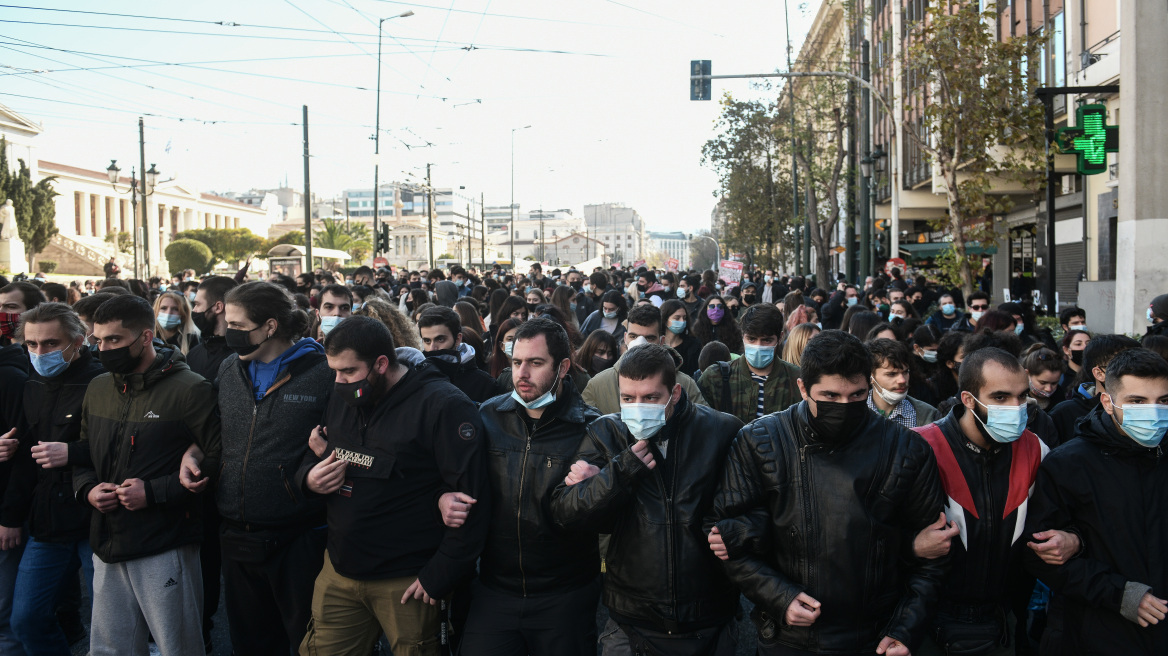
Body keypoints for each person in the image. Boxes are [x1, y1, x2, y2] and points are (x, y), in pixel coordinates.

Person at [706, 329, 948, 656]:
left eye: (857, 396)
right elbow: (728, 538)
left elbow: (934, 551)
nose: (844, 406)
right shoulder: (759, 441)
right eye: (831, 397)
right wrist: (779, 596)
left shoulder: (906, 449)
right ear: (803, 388)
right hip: (789, 637)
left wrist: (906, 627)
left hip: (875, 636)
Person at [299, 316, 489, 655]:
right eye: (335, 372)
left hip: (409, 581)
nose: (339, 381)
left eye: (349, 372)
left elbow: (472, 501)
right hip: (340, 571)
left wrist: (440, 576)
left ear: (381, 364)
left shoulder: (443, 405)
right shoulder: (344, 395)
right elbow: (329, 453)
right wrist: (309, 478)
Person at [553, 343, 745, 654]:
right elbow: (567, 513)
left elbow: (753, 508)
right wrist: (617, 474)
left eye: (651, 398)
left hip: (707, 614)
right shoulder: (606, 432)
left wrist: (739, 531)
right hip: (632, 618)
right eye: (628, 398)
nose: (638, 408)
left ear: (676, 393)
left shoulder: (721, 430)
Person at [179, 281, 333, 656]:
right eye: (226, 323)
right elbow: (217, 427)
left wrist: (318, 468)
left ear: (270, 326)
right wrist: (194, 452)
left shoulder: (324, 372)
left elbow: (348, 442)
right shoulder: (231, 368)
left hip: (299, 536)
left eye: (237, 325)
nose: (228, 333)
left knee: (305, 642)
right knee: (250, 642)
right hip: (236, 533)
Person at [73, 294, 221, 656]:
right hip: (107, 540)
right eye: (99, 340)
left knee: (176, 646)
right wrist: (88, 490)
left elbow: (219, 459)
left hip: (165, 541)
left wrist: (154, 492)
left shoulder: (191, 389)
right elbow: (84, 451)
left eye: (115, 340)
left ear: (144, 336)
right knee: (109, 648)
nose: (104, 348)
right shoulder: (98, 387)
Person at [444, 318, 602, 654]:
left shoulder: (592, 427)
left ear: (563, 367)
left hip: (565, 594)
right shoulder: (485, 417)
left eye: (535, 362)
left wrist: (600, 486)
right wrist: (442, 497)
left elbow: (606, 515)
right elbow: (451, 476)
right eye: (517, 362)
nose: (522, 373)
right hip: (495, 589)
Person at [911, 347, 1072, 656]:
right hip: (927, 623)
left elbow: (1061, 522)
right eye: (1000, 397)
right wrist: (910, 545)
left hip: (1005, 623)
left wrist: (1071, 539)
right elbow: (876, 532)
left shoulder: (1036, 449)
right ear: (969, 400)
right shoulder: (920, 447)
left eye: (1022, 396)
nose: (1015, 407)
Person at [1025, 348, 1168, 654]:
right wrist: (1119, 594)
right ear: (1108, 401)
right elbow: (1040, 553)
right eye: (1138, 401)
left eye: (1164, 401)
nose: (1154, 412)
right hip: (1098, 632)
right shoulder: (1069, 464)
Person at [2, 303, 103, 654]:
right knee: (26, 618)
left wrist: (73, 453)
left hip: (96, 516)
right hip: (48, 518)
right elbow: (27, 458)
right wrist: (11, 517)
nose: (40, 352)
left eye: (50, 343)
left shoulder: (102, 380)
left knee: (107, 624)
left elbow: (125, 447)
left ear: (77, 341)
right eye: (32, 344)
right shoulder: (32, 382)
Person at [582, 305, 708, 415]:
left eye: (649, 338)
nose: (640, 343)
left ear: (661, 341)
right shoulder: (597, 386)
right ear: (625, 338)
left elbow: (703, 424)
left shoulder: (685, 384)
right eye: (634, 336)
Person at [698, 304, 801, 424]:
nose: (758, 346)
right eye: (751, 339)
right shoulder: (715, 378)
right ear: (742, 336)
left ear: (780, 338)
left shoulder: (797, 379)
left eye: (767, 340)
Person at [0, 293, 30, 655]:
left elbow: (24, 455)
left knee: (5, 619)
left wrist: (10, 516)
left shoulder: (9, 378)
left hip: (5, 512)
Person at [1048, 334, 1140, 445]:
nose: (1135, 373)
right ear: (1099, 373)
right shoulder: (1064, 413)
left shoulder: (1151, 408)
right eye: (1123, 366)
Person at [417, 306, 500, 403]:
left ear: (458, 339)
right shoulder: (416, 378)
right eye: (427, 341)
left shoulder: (484, 384)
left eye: (440, 339)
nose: (432, 348)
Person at [866, 338, 940, 428]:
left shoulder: (928, 415)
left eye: (905, 372)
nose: (902, 380)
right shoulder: (855, 413)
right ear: (871, 376)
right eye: (892, 374)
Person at [185, 276, 238, 382]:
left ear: (218, 307)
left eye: (197, 304)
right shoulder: (194, 354)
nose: (194, 310)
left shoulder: (241, 357)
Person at [660, 299, 703, 379]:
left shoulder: (694, 345)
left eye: (684, 318)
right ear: (665, 320)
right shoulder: (657, 344)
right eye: (677, 318)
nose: (682, 321)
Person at [152, 291, 200, 356]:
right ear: (156, 310)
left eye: (175, 309)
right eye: (163, 308)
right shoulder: (148, 337)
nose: (168, 313)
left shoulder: (192, 340)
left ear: (184, 313)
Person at [1023, 345, 1066, 413]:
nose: (1048, 389)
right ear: (1027, 374)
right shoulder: (1018, 402)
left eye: (1054, 383)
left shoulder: (1061, 398)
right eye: (1043, 383)